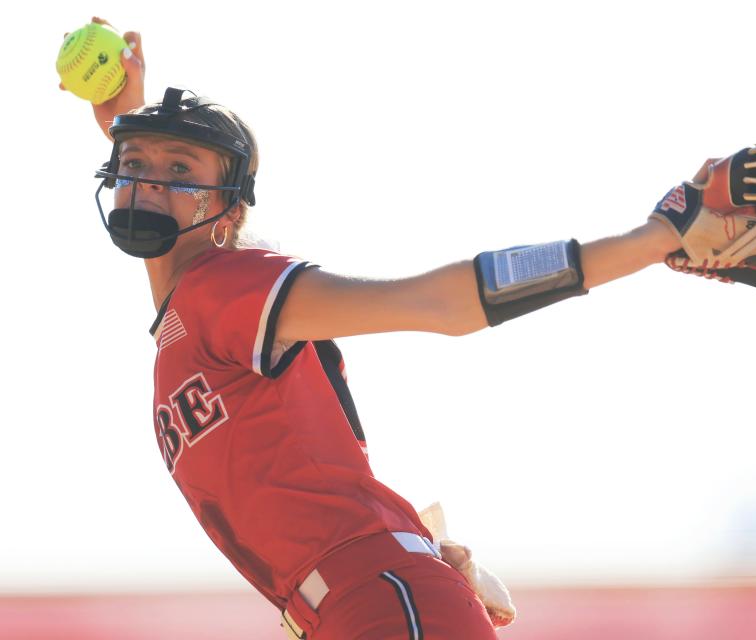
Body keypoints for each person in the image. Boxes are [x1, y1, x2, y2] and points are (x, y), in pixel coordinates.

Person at [66, 18, 687, 640]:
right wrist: (129, 121)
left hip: (378, 596)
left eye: (180, 168)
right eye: (133, 164)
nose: (148, 181)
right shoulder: (192, 313)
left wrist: (652, 240)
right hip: (351, 606)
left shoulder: (225, 286)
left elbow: (441, 303)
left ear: (230, 206)